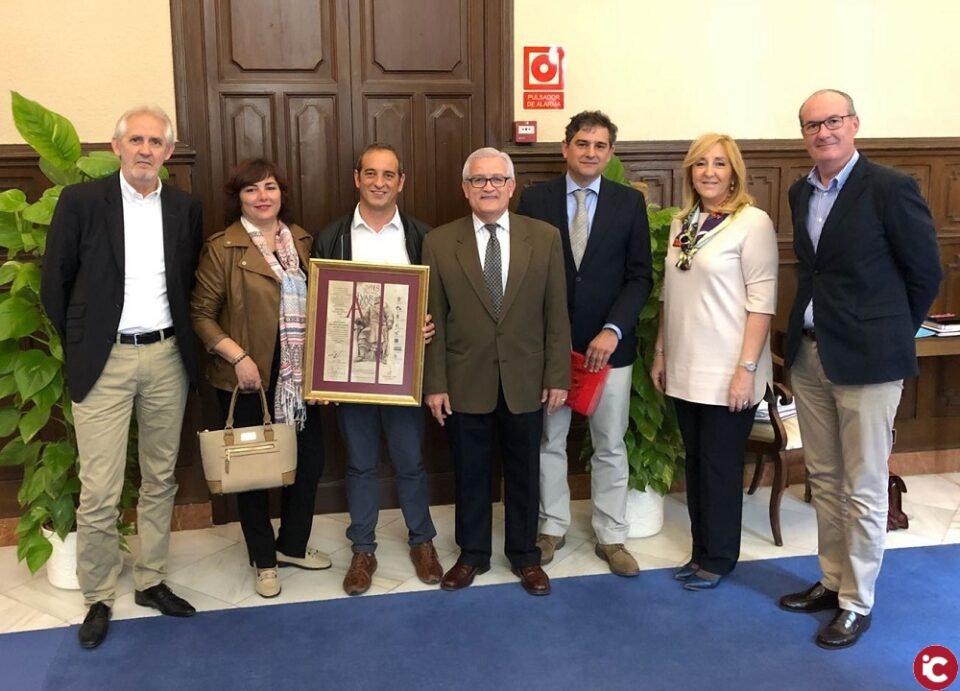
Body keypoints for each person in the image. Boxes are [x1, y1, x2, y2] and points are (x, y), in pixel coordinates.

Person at [777, 89, 942, 649]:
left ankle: (857, 600)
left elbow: (925, 271)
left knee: (865, 486)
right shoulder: (802, 191)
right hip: (811, 353)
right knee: (822, 477)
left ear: (854, 124)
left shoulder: (890, 187)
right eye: (811, 125)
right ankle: (830, 580)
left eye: (832, 121)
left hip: (869, 359)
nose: (822, 132)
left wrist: (892, 332)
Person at [40, 106, 201, 649]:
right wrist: (83, 345)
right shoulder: (82, 202)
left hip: (165, 357)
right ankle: (99, 595)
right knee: (101, 488)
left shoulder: (184, 207)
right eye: (136, 139)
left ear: (167, 153)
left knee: (160, 477)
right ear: (116, 147)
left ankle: (151, 580)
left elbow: (186, 283)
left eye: (155, 142)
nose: (145, 149)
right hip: (103, 360)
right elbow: (54, 284)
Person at [423, 147, 570, 596]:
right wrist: (435, 384)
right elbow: (434, 320)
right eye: (478, 180)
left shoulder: (543, 237)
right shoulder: (440, 241)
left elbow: (556, 314)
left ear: (511, 186)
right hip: (465, 380)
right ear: (465, 189)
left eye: (497, 179)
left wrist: (558, 375)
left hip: (526, 379)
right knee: (470, 471)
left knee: (525, 470)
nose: (488, 187)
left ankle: (525, 555)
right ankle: (472, 555)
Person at [516, 110, 652, 576]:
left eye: (599, 146)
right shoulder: (535, 201)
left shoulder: (627, 204)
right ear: (565, 147)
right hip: (551, 349)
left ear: (609, 153)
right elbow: (525, 276)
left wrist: (612, 330)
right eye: (582, 143)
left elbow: (639, 278)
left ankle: (612, 536)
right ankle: (551, 527)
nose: (590, 152)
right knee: (549, 441)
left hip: (608, 350)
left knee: (610, 444)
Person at [192, 158, 330, 600]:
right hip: (246, 379)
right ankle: (264, 560)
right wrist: (238, 357)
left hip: (299, 376)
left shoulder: (304, 241)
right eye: (251, 190)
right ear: (239, 199)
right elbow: (201, 314)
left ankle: (291, 545)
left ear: (281, 192)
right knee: (251, 473)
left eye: (270, 187)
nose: (263, 196)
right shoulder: (223, 247)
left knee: (308, 463)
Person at [313, 143, 443, 596]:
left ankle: (422, 542)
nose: (379, 182)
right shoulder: (331, 238)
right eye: (371, 173)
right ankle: (363, 549)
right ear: (357, 178)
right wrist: (321, 373)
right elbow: (320, 311)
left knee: (410, 462)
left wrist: (430, 324)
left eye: (389, 174)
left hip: (405, 377)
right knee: (360, 465)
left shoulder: (422, 236)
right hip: (351, 378)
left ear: (401, 181)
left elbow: (439, 302)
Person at [650, 133, 778, 591]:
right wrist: (662, 352)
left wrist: (746, 370)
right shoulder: (684, 221)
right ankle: (700, 550)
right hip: (685, 366)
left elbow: (762, 302)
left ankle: (720, 558)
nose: (709, 172)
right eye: (701, 163)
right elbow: (671, 293)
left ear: (734, 172)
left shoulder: (752, 222)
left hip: (730, 370)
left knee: (722, 467)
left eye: (719, 164)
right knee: (698, 466)